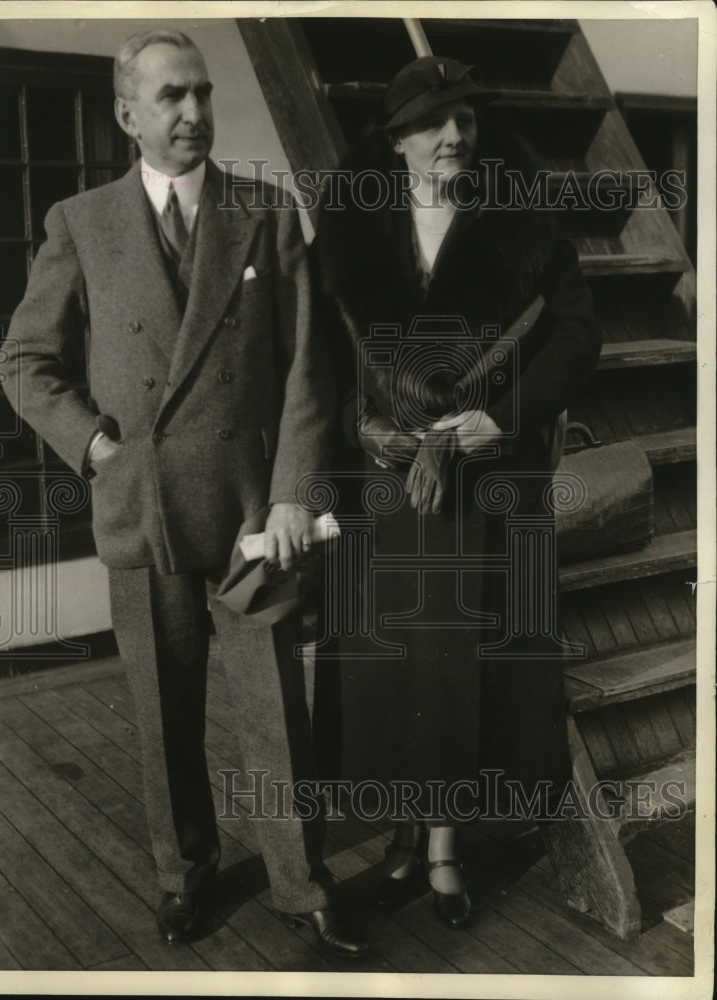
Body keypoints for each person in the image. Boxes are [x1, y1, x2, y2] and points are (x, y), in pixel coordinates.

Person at [0, 29, 368, 959]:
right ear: (128, 113)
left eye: (201, 92)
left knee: (275, 712)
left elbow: (307, 373)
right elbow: (24, 361)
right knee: (163, 716)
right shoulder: (80, 221)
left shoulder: (268, 214)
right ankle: (183, 874)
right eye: (170, 97)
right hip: (146, 513)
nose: (194, 112)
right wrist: (94, 445)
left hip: (254, 519)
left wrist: (291, 495)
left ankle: (298, 880)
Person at [311, 56, 602, 929]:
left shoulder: (524, 221)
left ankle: (442, 848)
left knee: (465, 663)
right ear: (395, 141)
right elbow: (318, 356)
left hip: (485, 489)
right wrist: (353, 431)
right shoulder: (347, 228)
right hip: (387, 488)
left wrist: (501, 420)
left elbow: (577, 336)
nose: (453, 137)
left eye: (464, 120)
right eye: (433, 123)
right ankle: (400, 837)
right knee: (390, 665)